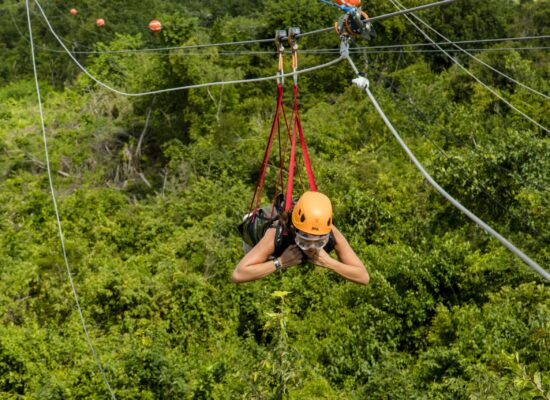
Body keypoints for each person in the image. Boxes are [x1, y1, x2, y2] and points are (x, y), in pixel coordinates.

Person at [232, 191, 369, 285]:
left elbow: (363, 277)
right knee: (257, 264)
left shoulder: (331, 231)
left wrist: (330, 263)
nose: (311, 248)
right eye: (305, 241)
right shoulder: (276, 233)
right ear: (294, 230)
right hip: (258, 232)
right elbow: (238, 274)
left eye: (318, 242)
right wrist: (280, 262)